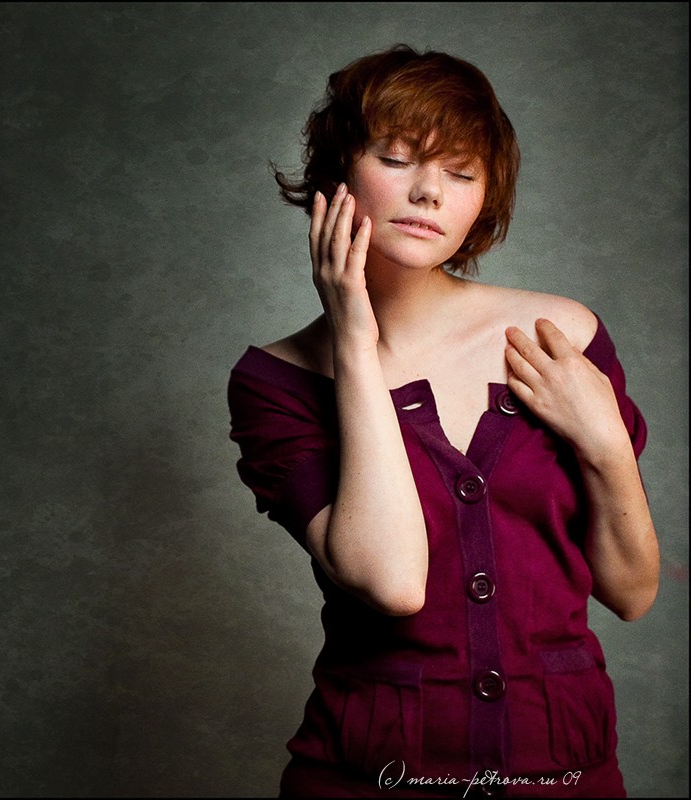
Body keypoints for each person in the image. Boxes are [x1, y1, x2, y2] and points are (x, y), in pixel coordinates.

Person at [227, 44, 659, 798]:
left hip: (567, 775)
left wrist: (605, 445)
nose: (428, 192)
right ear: (336, 172)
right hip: (364, 777)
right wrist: (355, 342)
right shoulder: (277, 382)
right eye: (396, 159)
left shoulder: (561, 337)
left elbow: (631, 593)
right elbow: (391, 582)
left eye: (461, 173)